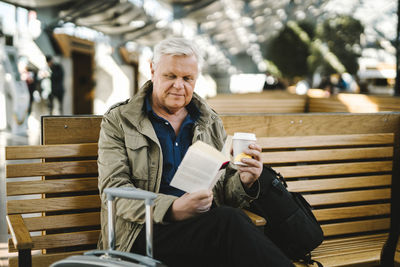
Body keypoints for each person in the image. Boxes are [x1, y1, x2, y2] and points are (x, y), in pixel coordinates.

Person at [98, 37, 319, 267]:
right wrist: (172, 208)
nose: (179, 85)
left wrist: (245, 182)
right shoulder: (121, 120)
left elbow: (224, 192)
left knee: (230, 228)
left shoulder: (209, 121)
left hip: (202, 229)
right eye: (170, 76)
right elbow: (113, 191)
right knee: (229, 224)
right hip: (141, 235)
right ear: (152, 70)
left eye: (187, 78)